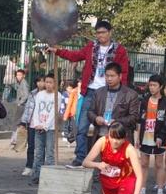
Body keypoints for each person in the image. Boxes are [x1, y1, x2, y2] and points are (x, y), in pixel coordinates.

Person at [46, 20, 129, 166]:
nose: (100, 35)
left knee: (108, 127)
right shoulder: (92, 46)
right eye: (98, 33)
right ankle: (80, 158)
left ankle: (109, 159)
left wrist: (121, 92)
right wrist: (57, 51)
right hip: (90, 91)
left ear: (110, 32)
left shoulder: (120, 50)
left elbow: (124, 73)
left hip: (109, 93)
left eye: (103, 32)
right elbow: (75, 55)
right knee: (82, 127)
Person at [78, 62, 140, 194]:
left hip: (120, 139)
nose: (109, 79)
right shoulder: (99, 92)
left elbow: (134, 117)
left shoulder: (130, 94)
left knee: (122, 174)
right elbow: (90, 111)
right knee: (98, 172)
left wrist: (117, 122)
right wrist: (96, 118)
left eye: (112, 76)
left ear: (120, 76)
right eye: (107, 76)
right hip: (101, 136)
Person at [135, 74, 166, 194]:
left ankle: (160, 190)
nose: (152, 88)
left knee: (159, 163)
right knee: (144, 163)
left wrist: (161, 136)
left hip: (159, 137)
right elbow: (140, 120)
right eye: (150, 85)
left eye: (154, 85)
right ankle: (142, 189)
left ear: (160, 87)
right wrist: (138, 137)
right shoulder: (145, 100)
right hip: (145, 135)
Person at [30, 73, 62, 186]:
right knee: (38, 153)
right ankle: (36, 176)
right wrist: (37, 124)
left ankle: (49, 178)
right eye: (46, 82)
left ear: (55, 83)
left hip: (50, 128)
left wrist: (45, 126)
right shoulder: (40, 95)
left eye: (50, 82)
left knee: (49, 153)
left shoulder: (58, 96)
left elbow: (54, 113)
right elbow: (36, 110)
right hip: (38, 127)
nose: (48, 84)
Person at [19, 75, 45, 176]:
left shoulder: (48, 94)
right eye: (38, 81)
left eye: (42, 81)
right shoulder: (32, 93)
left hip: (42, 124)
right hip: (31, 123)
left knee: (41, 147)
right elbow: (27, 108)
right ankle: (29, 166)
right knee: (31, 146)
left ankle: (40, 167)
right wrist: (23, 121)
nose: (40, 84)